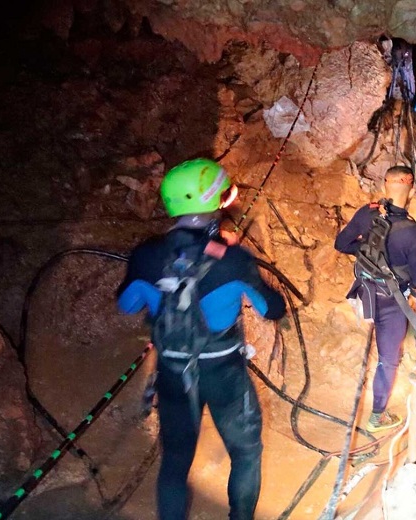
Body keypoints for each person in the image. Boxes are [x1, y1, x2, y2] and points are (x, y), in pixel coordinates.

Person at [117, 158, 286, 520]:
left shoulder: (146, 255)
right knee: (245, 452)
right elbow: (272, 309)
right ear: (214, 200)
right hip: (224, 372)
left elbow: (128, 305)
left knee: (175, 462)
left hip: (174, 372)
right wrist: (240, 260)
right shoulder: (233, 259)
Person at [334, 165, 416, 432]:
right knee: (387, 359)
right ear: (412, 191)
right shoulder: (414, 233)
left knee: (386, 340)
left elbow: (341, 244)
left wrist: (368, 254)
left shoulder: (366, 213)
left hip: (364, 292)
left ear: (383, 187)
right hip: (391, 303)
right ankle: (377, 415)